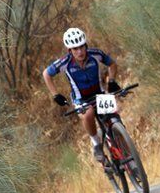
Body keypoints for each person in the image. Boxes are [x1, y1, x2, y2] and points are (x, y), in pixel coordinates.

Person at [42, 27, 120, 163]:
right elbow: (46, 74)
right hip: (81, 98)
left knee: (115, 118)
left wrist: (112, 80)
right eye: (75, 49)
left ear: (86, 45)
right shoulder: (65, 63)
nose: (80, 51)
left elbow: (112, 64)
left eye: (82, 47)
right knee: (88, 113)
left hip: (99, 94)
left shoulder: (95, 54)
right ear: (69, 50)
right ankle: (96, 144)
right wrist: (56, 95)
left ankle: (125, 151)